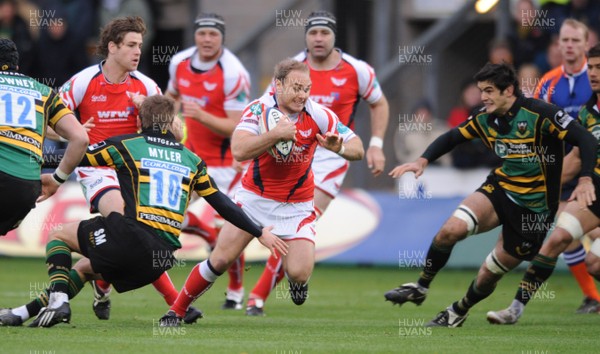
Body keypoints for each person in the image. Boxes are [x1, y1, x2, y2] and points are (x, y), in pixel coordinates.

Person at [0, 95, 287, 327]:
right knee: (86, 269)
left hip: (129, 236)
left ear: (139, 121)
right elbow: (222, 203)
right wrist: (259, 231)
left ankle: (59, 301)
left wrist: (43, 153)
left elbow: (80, 153)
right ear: (173, 122)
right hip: (159, 260)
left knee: (59, 235)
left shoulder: (127, 145)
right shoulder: (193, 160)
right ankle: (23, 313)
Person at [383, 62, 598, 327]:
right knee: (451, 230)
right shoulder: (485, 117)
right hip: (500, 189)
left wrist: (586, 177)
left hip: (535, 209)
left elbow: (587, 140)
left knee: (490, 272)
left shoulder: (542, 114)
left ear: (508, 90)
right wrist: (422, 161)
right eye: (481, 90)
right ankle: (421, 286)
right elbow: (453, 137)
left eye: (489, 91)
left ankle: (457, 311)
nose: (483, 97)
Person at [158, 58, 364, 327]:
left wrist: (338, 148)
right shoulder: (258, 110)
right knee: (220, 259)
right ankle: (176, 311)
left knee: (300, 273)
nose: (303, 95)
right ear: (278, 85)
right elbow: (240, 150)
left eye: (307, 88)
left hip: (298, 206)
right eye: (296, 87)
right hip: (253, 200)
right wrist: (275, 135)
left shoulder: (319, 115)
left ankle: (297, 283)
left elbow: (357, 148)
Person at [57, 16, 200, 323]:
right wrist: (73, 131)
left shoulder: (146, 85)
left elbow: (177, 133)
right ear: (112, 47)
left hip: (137, 173)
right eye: (132, 45)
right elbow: (49, 122)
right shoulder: (82, 82)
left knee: (131, 236)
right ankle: (177, 303)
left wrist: (146, 106)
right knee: (125, 223)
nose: (138, 51)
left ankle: (101, 284)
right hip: (98, 169)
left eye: (140, 45)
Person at [245, 10, 388, 316]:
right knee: (280, 226)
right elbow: (264, 109)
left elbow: (379, 102)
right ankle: (260, 288)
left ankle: (258, 296)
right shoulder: (292, 70)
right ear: (306, 37)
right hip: (289, 154)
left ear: (334, 36)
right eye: (313, 33)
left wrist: (375, 144)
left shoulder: (357, 70)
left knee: (298, 226)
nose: (319, 39)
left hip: (330, 158)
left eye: (324, 33)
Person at [486, 43, 600, 324]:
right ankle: (514, 309)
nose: (594, 74)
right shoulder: (588, 113)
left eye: (599, 68)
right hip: (594, 190)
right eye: (593, 67)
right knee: (559, 239)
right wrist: (536, 180)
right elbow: (574, 157)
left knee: (594, 261)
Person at [165, 13, 251, 310]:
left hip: (227, 165)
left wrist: (201, 116)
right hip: (190, 160)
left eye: (213, 35)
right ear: (195, 36)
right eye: (202, 34)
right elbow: (171, 98)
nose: (206, 39)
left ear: (222, 38)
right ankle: (201, 231)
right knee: (164, 212)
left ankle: (236, 291)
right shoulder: (179, 63)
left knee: (229, 229)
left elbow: (237, 127)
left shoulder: (233, 73)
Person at [532, 18, 600, 313]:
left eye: (575, 40)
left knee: (593, 235)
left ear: (586, 44)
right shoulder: (547, 82)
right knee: (565, 232)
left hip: (593, 169)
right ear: (557, 45)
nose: (570, 45)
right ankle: (592, 297)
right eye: (565, 40)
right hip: (565, 166)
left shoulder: (594, 76)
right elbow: (536, 127)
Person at [0, 38, 88, 236]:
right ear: (17, 66)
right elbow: (80, 138)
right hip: (24, 188)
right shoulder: (43, 92)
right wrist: (57, 179)